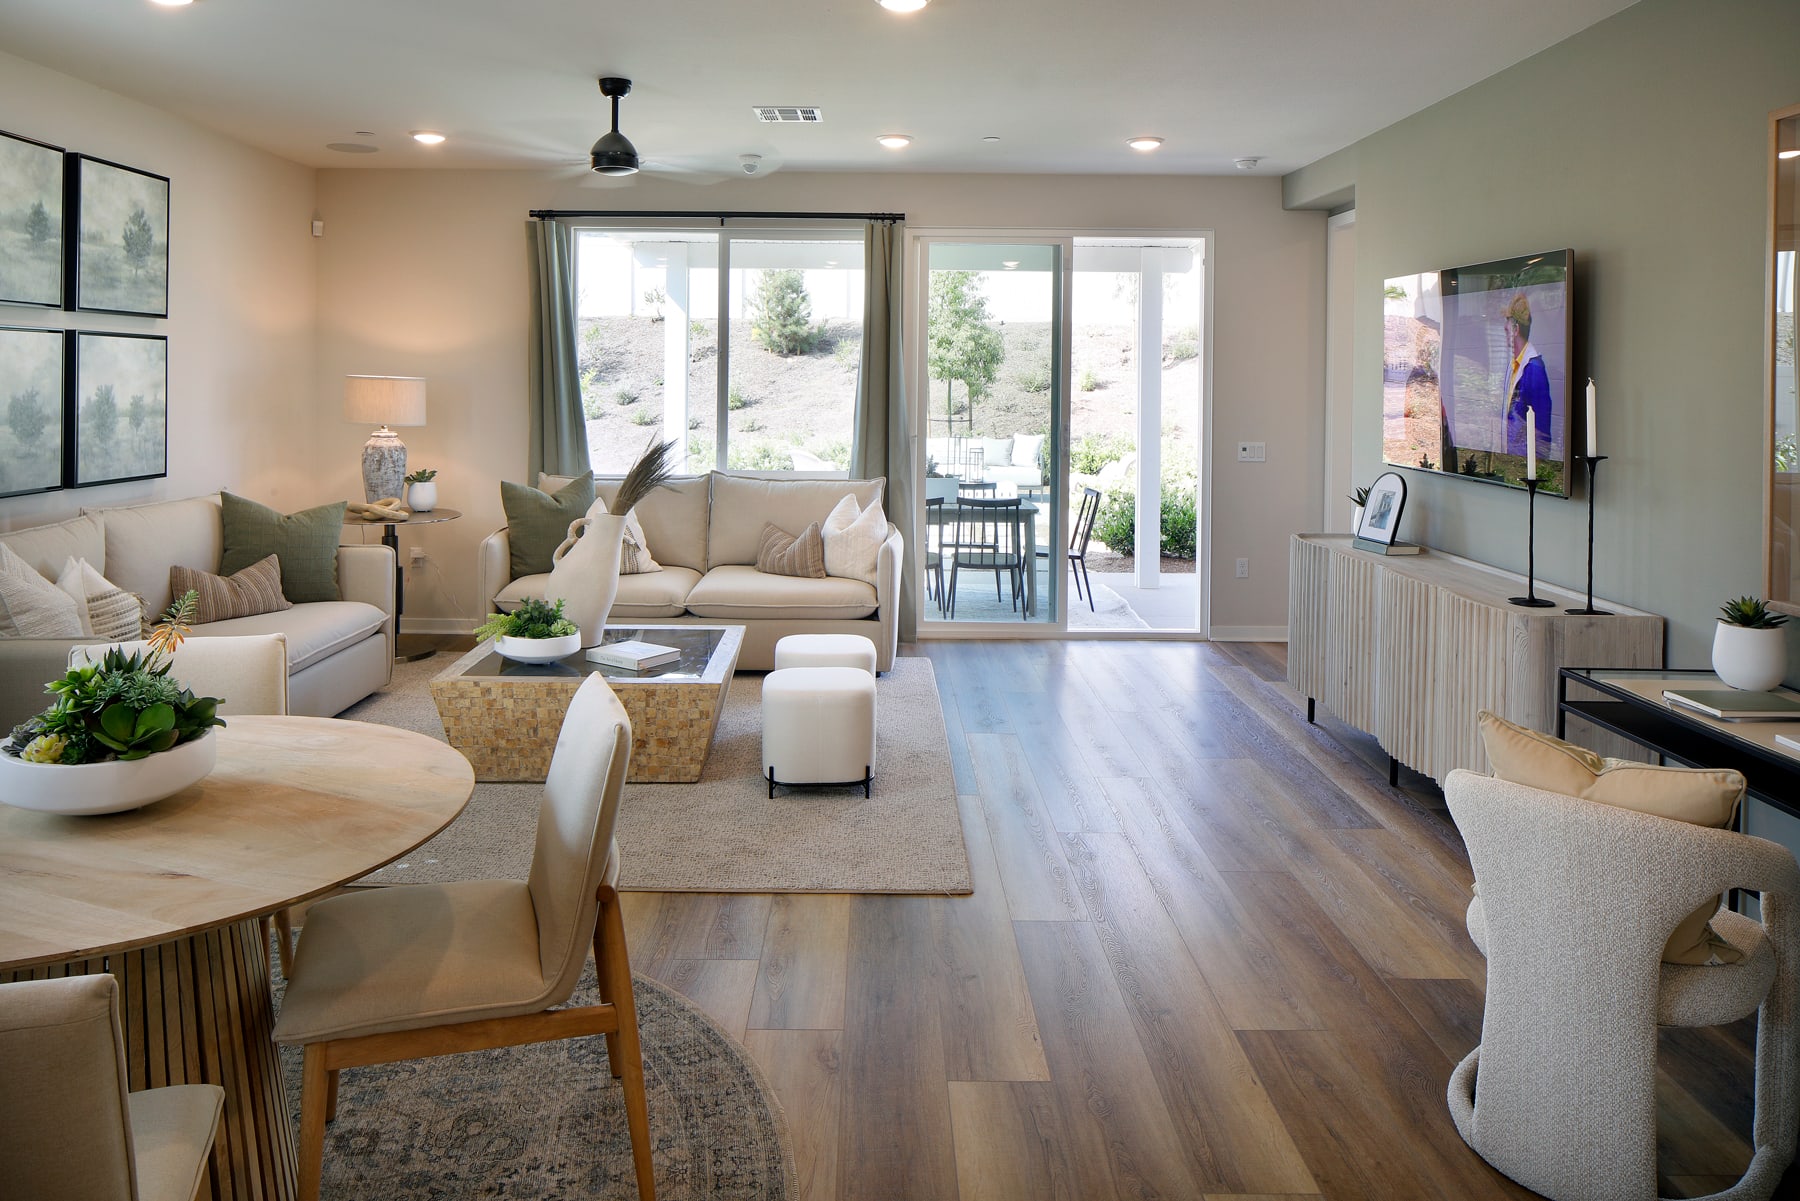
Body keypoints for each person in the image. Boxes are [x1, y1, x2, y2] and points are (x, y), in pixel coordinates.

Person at [1502, 293, 1552, 461]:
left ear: (1516, 329)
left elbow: (1541, 430)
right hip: (1513, 461)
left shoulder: (1534, 370)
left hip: (1524, 464)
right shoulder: (1515, 365)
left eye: (1507, 324)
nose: (1504, 329)